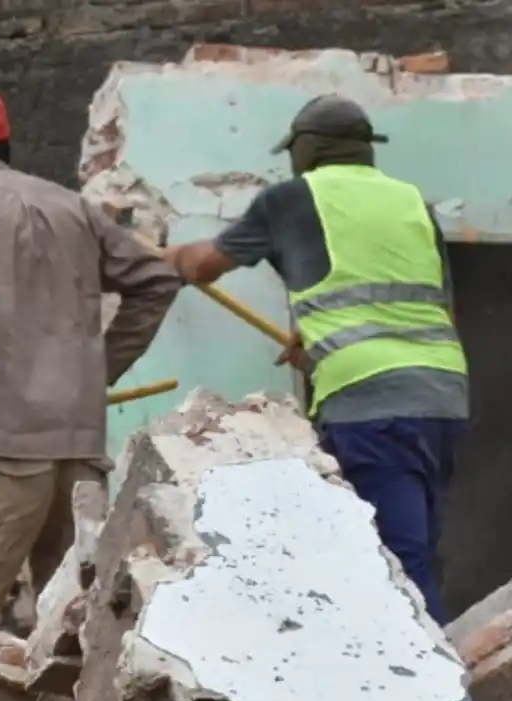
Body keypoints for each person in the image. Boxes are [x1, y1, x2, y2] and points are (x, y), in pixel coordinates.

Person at [0, 85, 182, 683]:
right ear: (6, 142)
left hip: (1, 449)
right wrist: (95, 373)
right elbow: (156, 280)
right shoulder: (70, 207)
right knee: (77, 632)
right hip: (78, 448)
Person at [164, 95, 468, 624]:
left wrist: (163, 255)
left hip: (370, 406)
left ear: (304, 150)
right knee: (417, 556)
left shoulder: (290, 199)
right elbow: (432, 306)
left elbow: (205, 265)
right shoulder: (412, 202)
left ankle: (435, 700)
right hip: (442, 399)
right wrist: (326, 344)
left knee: (394, 569)